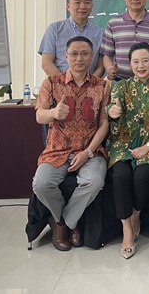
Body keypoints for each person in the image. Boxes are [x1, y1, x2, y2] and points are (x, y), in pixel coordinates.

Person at [32, 36, 110, 251]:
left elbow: (104, 123)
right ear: (66, 56)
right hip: (57, 150)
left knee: (94, 182)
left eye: (84, 54)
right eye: (74, 54)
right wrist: (53, 113)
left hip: (90, 150)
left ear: (92, 57)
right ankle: (64, 221)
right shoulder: (51, 83)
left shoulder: (102, 86)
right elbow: (39, 116)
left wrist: (88, 152)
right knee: (41, 184)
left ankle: (65, 223)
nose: (79, 58)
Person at [106, 42, 149, 259]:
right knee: (121, 175)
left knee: (144, 175)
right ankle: (127, 228)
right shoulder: (122, 87)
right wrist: (112, 112)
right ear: (130, 64)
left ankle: (136, 215)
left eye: (145, 60)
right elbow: (110, 110)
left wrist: (147, 147)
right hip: (122, 144)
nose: (140, 66)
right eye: (135, 61)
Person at [38, 0, 104, 77]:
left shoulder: (100, 33)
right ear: (68, 6)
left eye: (87, 2)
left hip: (90, 85)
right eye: (77, 2)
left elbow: (101, 66)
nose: (82, 6)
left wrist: (90, 84)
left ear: (92, 6)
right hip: (59, 84)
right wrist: (65, 83)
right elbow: (46, 64)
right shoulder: (55, 29)